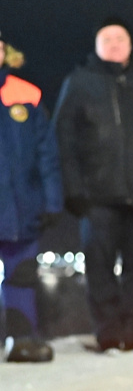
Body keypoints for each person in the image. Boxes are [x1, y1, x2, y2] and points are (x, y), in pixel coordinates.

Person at [53, 17, 133, 352]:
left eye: (120, 38)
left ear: (130, 45)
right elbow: (63, 141)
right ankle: (109, 334)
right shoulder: (80, 82)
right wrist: (72, 190)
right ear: (96, 45)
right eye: (107, 38)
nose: (114, 43)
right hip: (97, 195)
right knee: (100, 267)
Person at [0, 33, 61, 362]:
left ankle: (21, 341)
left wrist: (52, 201)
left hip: (22, 208)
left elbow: (46, 154)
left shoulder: (27, 95)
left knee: (22, 275)